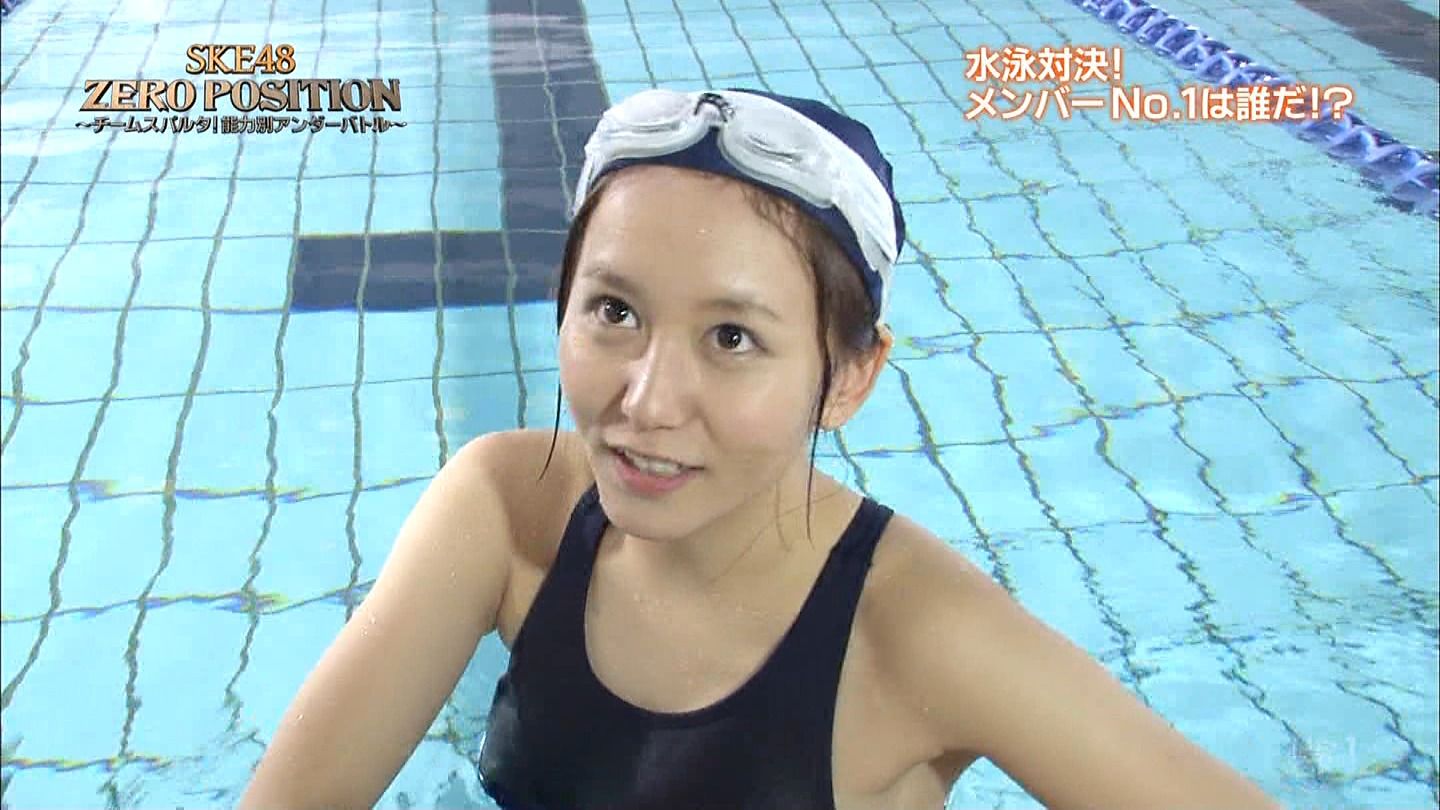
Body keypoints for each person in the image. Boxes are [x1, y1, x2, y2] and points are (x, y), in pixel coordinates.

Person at [239, 88, 1281, 810]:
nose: (647, 401)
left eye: (732, 338)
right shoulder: (504, 510)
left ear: (850, 378)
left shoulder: (918, 635)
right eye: (613, 311)